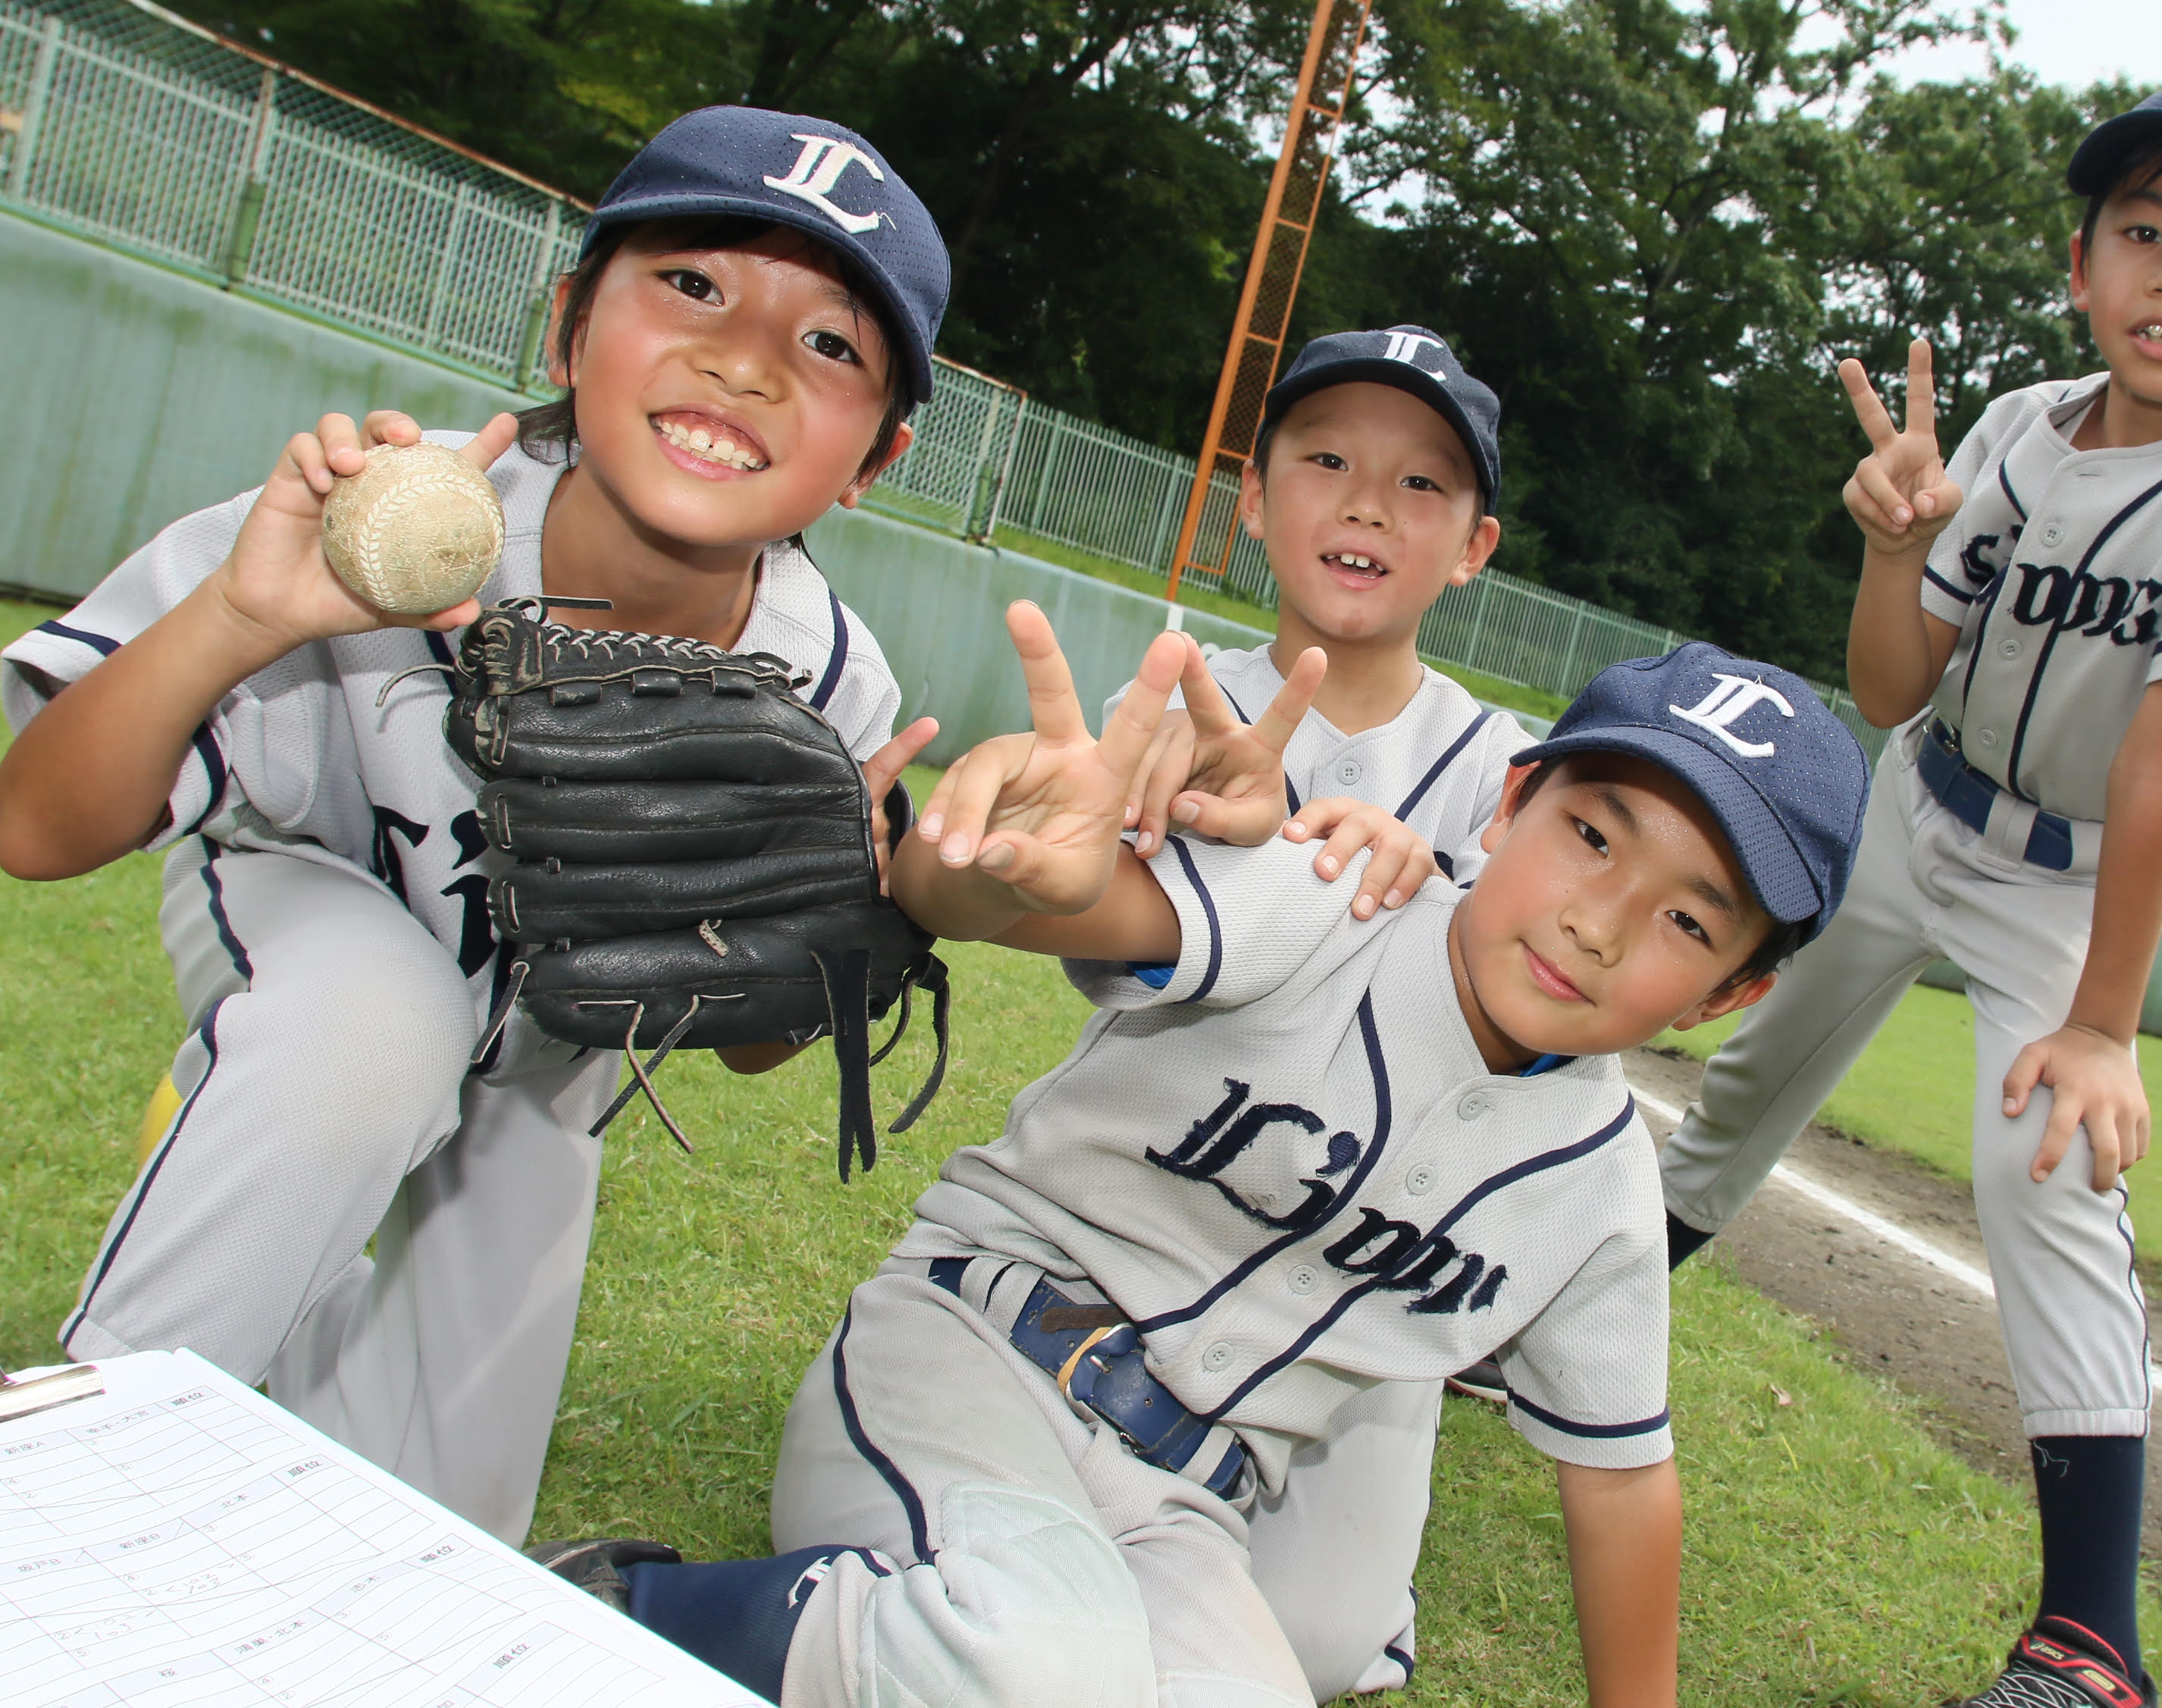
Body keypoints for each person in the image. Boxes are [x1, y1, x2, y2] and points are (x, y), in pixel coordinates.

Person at [532, 611, 1869, 1708]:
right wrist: (1039, 880)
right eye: (1591, 835)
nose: (1599, 924)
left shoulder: (1605, 1198)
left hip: (1188, 1513)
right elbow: (1105, 908)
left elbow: (1624, 1483)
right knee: (1040, 1663)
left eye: (1689, 919)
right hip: (977, 1363)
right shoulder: (1342, 895)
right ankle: (643, 1608)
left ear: (1730, 997)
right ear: (1512, 802)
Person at [0, 105, 948, 1545]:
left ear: (874, 458)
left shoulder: (833, 686)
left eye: (830, 344)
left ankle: (291, 1289)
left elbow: (749, 1032)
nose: (744, 358)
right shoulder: (377, 512)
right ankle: (69, 1515)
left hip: (544, 1077)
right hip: (318, 909)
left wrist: (847, 914)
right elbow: (34, 822)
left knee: (434, 1541)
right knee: (368, 1034)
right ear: (571, 329)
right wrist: (241, 620)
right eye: (693, 282)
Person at [1656, 67, 2162, 1708]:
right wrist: (1895, 549)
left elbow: (2160, 762)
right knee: (1751, 1078)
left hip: (2071, 880)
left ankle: (2091, 1643)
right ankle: (1535, 1329)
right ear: (2079, 262)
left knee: (2045, 1165)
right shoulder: (2014, 432)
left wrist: (2106, 1026)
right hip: (1920, 806)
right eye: (2144, 227)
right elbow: (1895, 689)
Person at [1105, 323, 1532, 1695]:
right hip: (1144, 1207)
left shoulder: (1504, 771)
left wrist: (1427, 906)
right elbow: (1108, 961)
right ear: (1252, 492)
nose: (1364, 503)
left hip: (1365, 1264)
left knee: (1325, 1649)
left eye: (1422, 485)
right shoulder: (1180, 695)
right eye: (1328, 459)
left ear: (1475, 547)